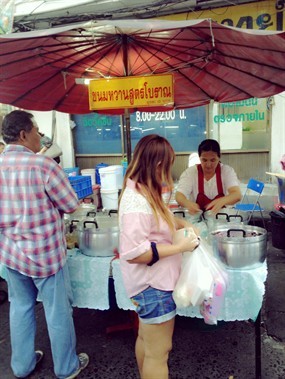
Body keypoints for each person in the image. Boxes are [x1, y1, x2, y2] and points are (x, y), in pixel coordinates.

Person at [0, 110, 89, 379]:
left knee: (20, 307)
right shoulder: (44, 166)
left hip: (11, 254)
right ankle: (66, 368)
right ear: (24, 134)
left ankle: (22, 366)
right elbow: (72, 205)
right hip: (45, 256)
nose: (40, 136)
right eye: (37, 131)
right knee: (57, 311)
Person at [119, 134, 200, 379]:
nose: (168, 172)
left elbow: (162, 217)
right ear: (156, 165)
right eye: (167, 165)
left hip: (151, 284)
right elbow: (136, 252)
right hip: (152, 287)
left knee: (146, 339)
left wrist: (182, 222)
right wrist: (180, 247)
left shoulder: (145, 190)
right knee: (159, 352)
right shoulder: (136, 202)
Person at [175, 139, 242, 214]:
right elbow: (179, 195)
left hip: (221, 217)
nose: (208, 165)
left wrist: (222, 201)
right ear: (199, 158)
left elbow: (237, 195)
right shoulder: (190, 173)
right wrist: (187, 204)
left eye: (213, 160)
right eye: (204, 160)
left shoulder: (227, 171)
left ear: (219, 157)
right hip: (198, 217)